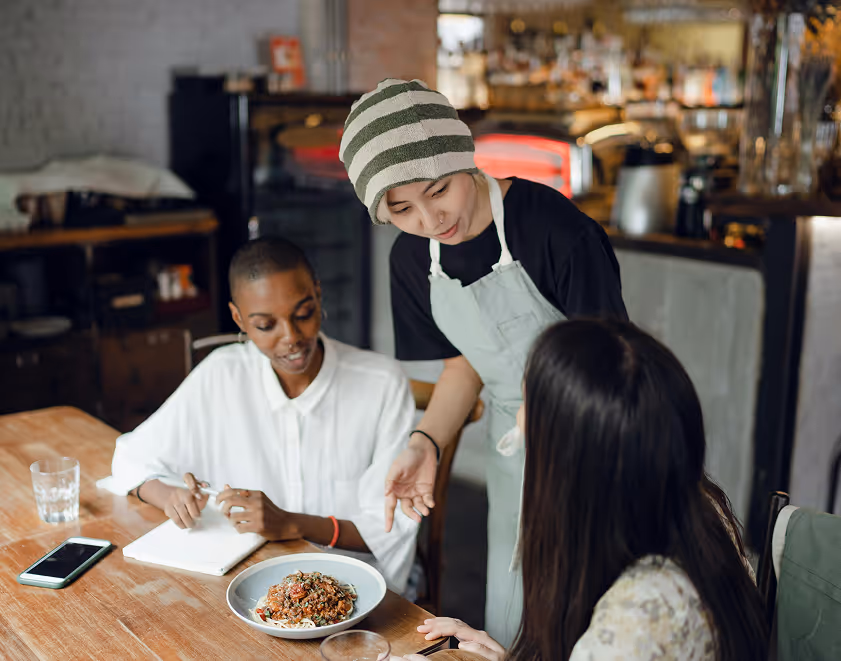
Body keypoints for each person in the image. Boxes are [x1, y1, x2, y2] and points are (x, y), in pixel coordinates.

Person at [339, 78, 627, 643]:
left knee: (594, 604)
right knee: (516, 604)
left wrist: (549, 404)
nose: (429, 218)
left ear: (463, 159)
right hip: (512, 449)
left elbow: (613, 359)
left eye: (439, 189)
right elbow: (461, 367)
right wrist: (426, 443)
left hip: (598, 438)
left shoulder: (552, 228)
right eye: (401, 208)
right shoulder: (410, 260)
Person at [395, 320, 768, 661]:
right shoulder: (695, 504)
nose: (519, 419)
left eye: (529, 405)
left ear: (571, 460)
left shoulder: (638, 617)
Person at [109, 238, 418, 591]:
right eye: (265, 325)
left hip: (353, 587)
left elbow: (390, 529)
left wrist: (292, 523)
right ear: (239, 318)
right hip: (248, 586)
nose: (291, 337)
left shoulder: (381, 384)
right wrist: (169, 497)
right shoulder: (221, 373)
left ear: (318, 294)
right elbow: (131, 456)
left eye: (303, 314)